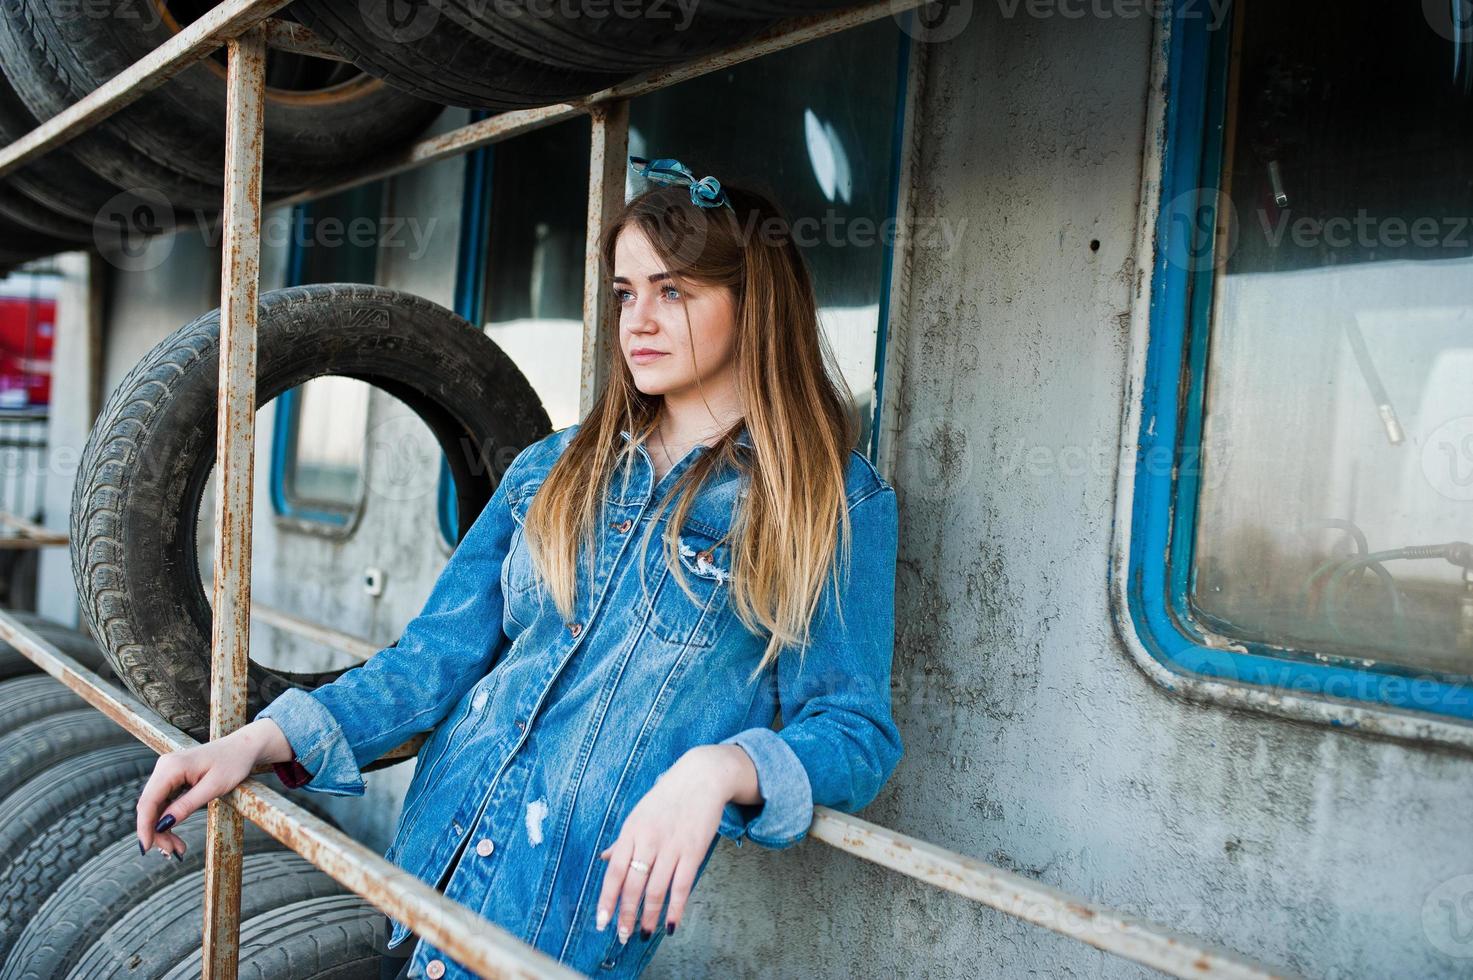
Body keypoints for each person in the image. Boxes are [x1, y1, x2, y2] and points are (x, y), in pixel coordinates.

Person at [133, 156, 905, 980]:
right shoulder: (551, 467)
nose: (637, 320)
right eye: (624, 293)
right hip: (428, 866)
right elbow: (435, 658)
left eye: (673, 291)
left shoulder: (829, 501)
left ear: (753, 305)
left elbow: (855, 731)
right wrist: (256, 740)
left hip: (564, 915)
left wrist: (720, 768)